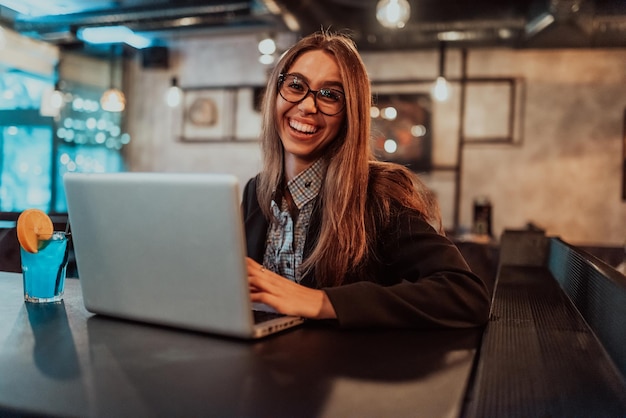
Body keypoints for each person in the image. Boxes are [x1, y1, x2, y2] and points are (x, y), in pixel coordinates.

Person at [243, 30, 491, 329]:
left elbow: (464, 294)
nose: (308, 106)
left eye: (330, 95)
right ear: (275, 93)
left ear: (350, 113)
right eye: (296, 86)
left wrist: (321, 301)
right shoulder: (255, 190)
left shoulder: (379, 194)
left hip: (342, 372)